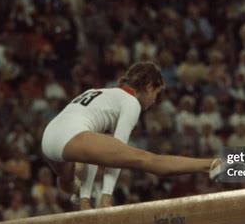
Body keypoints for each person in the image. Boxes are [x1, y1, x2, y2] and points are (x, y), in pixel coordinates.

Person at [41, 62, 219, 210]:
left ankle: (77, 189)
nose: (155, 100)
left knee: (68, 182)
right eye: (156, 94)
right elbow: (116, 156)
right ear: (149, 87)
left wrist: (86, 200)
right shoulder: (131, 102)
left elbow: (95, 154)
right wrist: (105, 198)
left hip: (49, 138)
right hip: (70, 137)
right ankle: (211, 164)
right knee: (148, 160)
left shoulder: (101, 93)